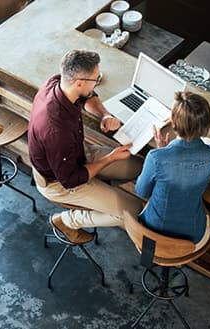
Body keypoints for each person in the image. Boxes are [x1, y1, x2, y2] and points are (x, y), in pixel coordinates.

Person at [28, 49, 143, 244]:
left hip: (78, 154)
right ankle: (67, 221)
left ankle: (104, 191)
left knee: (138, 166)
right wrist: (110, 159)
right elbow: (71, 179)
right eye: (95, 79)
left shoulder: (58, 82)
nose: (98, 81)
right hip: (60, 182)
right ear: (79, 82)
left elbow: (88, 96)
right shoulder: (56, 130)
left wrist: (105, 114)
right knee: (133, 211)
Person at [135, 91, 210, 246]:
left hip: (153, 231)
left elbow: (142, 192)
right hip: (191, 236)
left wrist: (162, 150)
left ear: (173, 122)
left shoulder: (156, 158)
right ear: (206, 126)